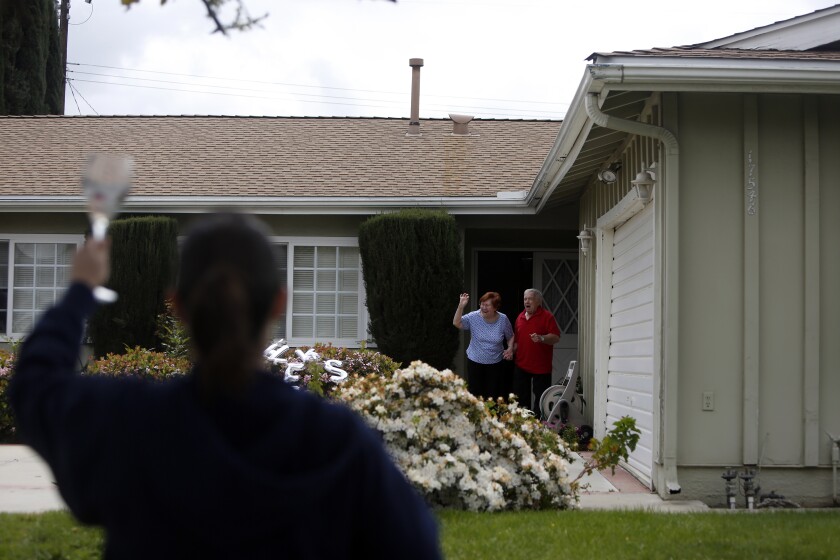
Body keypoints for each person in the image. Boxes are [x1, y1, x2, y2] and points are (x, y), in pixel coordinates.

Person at [10, 213, 441, 560]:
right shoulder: (336, 442)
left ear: (177, 306)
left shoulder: (130, 423)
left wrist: (81, 290)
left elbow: (34, 385)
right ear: (279, 302)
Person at [452, 291, 514, 400]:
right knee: (475, 394)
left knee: (493, 395)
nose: (483, 307)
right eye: (481, 304)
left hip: (495, 363)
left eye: (487, 305)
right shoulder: (473, 317)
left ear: (495, 307)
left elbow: (511, 336)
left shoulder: (503, 319)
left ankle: (491, 417)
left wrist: (510, 348)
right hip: (475, 362)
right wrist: (461, 306)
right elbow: (457, 323)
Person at [511, 288, 561, 416]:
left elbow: (556, 337)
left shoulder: (547, 316)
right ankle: (522, 425)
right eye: (525, 299)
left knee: (541, 399)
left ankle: (538, 426)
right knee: (521, 399)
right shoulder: (520, 317)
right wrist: (510, 350)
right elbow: (517, 341)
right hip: (522, 364)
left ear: (538, 301)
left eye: (530, 299)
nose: (527, 301)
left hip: (541, 367)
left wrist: (542, 338)